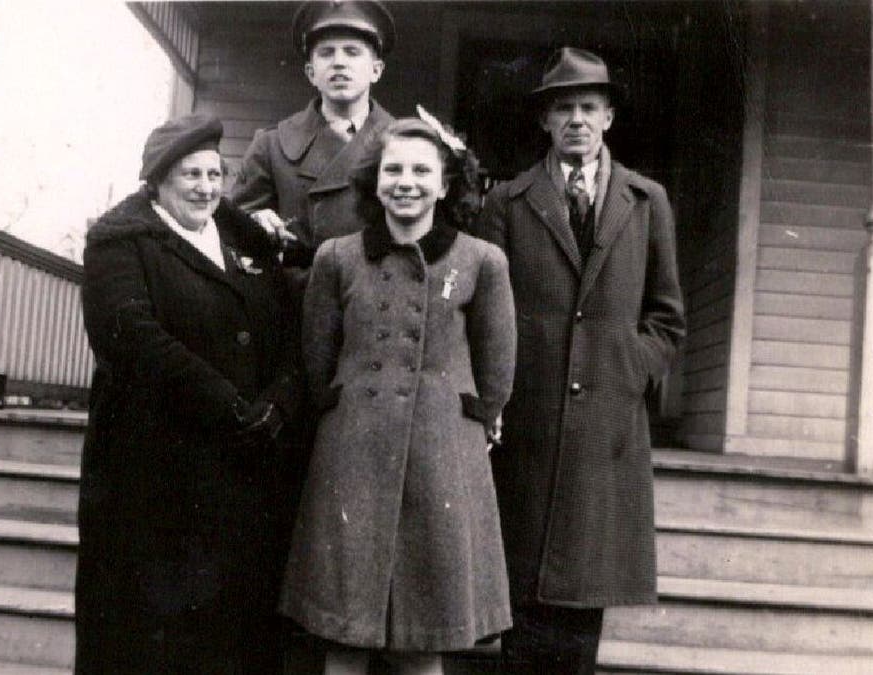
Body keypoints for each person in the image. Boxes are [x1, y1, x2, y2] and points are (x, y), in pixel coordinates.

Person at [473, 47, 686, 674]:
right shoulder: (508, 204)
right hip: (528, 427)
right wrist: (497, 396)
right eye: (563, 107)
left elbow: (667, 316)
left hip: (605, 430)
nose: (577, 119)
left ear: (609, 117)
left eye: (589, 106)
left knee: (582, 606)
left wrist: (627, 370)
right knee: (522, 598)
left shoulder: (647, 203)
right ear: (544, 121)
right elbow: (487, 315)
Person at [281, 117, 516, 675]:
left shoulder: (481, 261)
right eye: (393, 169)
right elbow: (319, 358)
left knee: (421, 639)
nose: (405, 182)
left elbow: (497, 365)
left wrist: (480, 419)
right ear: (374, 181)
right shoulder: (337, 257)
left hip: (442, 459)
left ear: (444, 184)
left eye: (420, 170)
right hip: (353, 455)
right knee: (344, 635)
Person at [75, 114, 302, 674]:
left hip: (240, 473)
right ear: (156, 182)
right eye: (190, 176)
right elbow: (136, 342)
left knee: (228, 636)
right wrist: (231, 407)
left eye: (214, 174)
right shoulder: (120, 245)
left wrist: (279, 404)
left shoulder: (243, 241)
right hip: (153, 478)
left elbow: (291, 333)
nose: (205, 187)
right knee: (153, 638)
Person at [230, 0, 396, 277]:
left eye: (352, 52)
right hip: (294, 304)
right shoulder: (271, 145)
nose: (339, 62)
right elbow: (232, 229)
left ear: (376, 70)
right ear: (311, 73)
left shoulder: (407, 145)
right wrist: (256, 223)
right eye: (326, 53)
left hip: (375, 301)